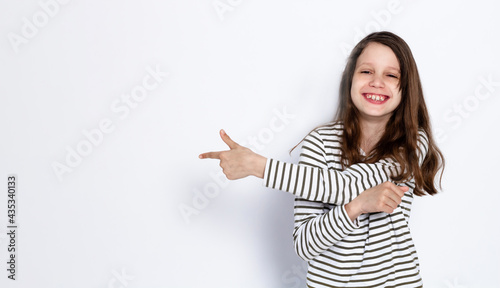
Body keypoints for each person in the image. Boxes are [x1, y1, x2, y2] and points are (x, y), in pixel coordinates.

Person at [199, 31, 444, 288]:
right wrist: (355, 207)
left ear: (406, 88)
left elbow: (356, 183)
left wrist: (259, 166)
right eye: (366, 72)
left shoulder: (413, 142)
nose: (377, 82)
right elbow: (305, 245)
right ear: (350, 79)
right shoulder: (319, 142)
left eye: (391, 75)